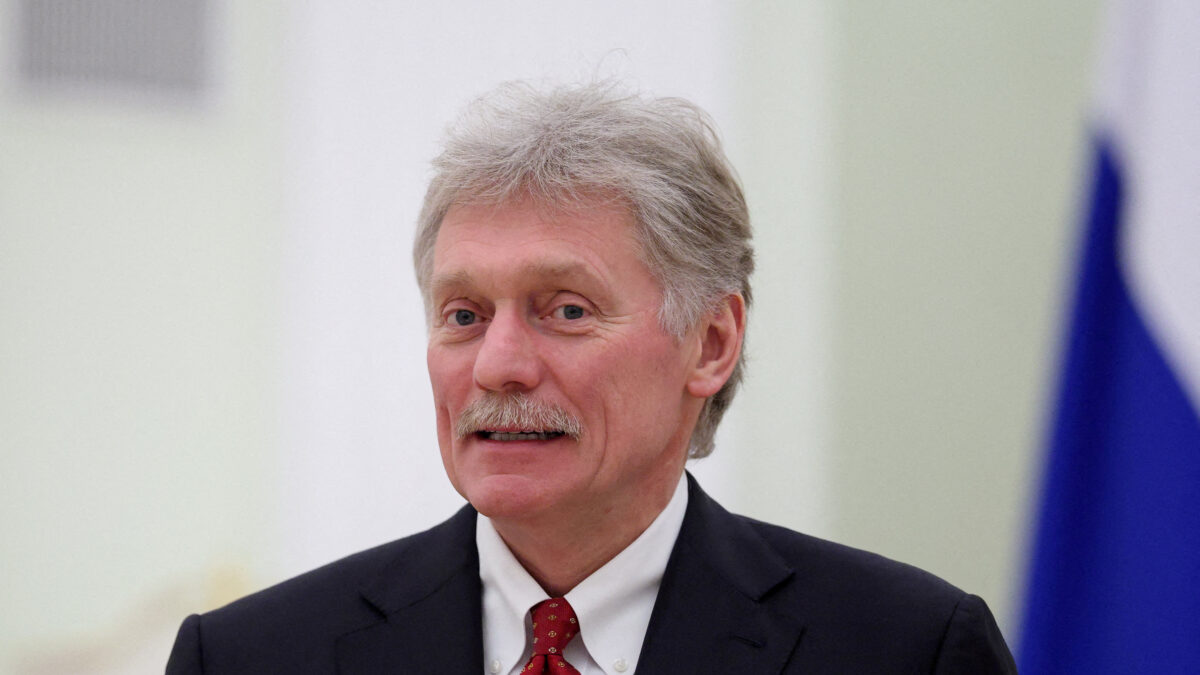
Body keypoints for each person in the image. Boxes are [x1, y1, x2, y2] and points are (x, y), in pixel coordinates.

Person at [167, 81, 1016, 674]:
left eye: (565, 309)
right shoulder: (249, 657)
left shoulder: (907, 650)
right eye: (464, 314)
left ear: (710, 343)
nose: (498, 363)